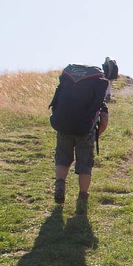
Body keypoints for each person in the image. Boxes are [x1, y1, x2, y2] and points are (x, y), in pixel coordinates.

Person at [50, 65, 110, 211]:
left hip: (64, 126)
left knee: (63, 158)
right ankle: (82, 197)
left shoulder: (68, 88)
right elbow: (104, 121)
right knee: (85, 165)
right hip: (85, 131)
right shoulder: (98, 99)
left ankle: (60, 185)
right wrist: (96, 134)